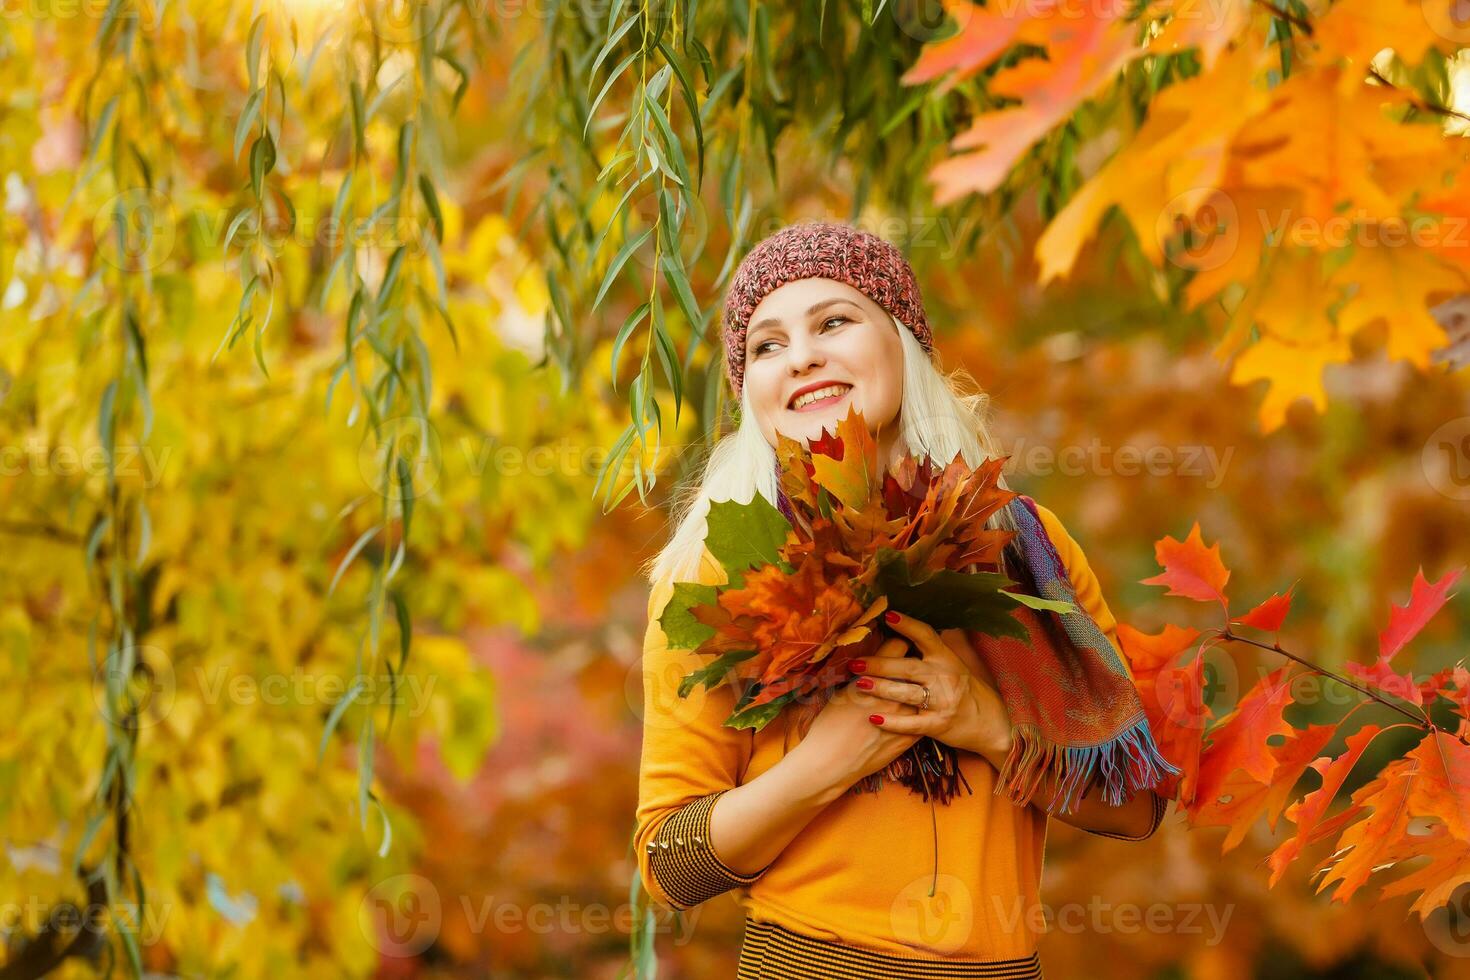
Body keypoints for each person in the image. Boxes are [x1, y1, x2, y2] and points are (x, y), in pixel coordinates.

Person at [635, 221, 1168, 978]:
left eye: (834, 321)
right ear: (748, 390)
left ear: (904, 342)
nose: (804, 356)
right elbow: (671, 868)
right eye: (767, 345)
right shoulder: (714, 572)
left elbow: (1137, 804)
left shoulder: (1024, 548)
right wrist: (825, 763)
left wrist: (986, 723)